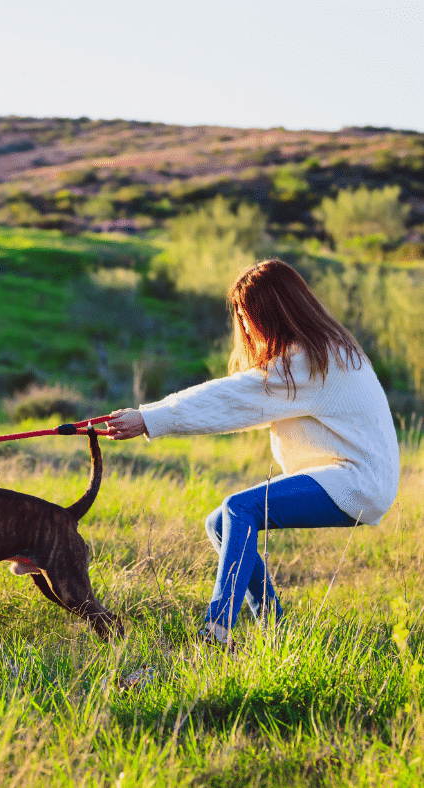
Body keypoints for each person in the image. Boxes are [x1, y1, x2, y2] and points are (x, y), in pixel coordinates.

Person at [104, 259, 400, 646]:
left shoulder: (310, 361)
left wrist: (148, 418)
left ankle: (217, 628)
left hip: (358, 480)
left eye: (247, 315)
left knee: (238, 508)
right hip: (349, 475)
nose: (243, 326)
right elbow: (237, 397)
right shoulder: (319, 351)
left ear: (273, 311)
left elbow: (231, 397)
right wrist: (150, 417)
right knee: (220, 523)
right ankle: (275, 629)